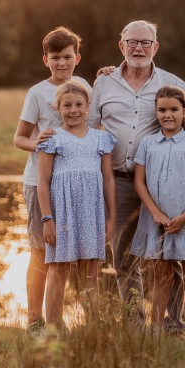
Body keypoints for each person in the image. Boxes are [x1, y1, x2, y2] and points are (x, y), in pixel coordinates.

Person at [88, 20, 185, 332]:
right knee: (123, 258)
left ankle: (173, 325)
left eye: (145, 42)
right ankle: (135, 325)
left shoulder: (172, 83)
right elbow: (90, 130)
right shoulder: (103, 84)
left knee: (167, 255)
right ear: (121, 46)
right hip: (118, 181)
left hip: (160, 183)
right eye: (132, 42)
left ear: (155, 47)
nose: (138, 48)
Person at [12, 26, 92, 333]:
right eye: (56, 57)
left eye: (68, 57)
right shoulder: (37, 93)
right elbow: (19, 138)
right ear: (46, 59)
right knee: (41, 251)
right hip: (39, 182)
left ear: (77, 57)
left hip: (73, 183)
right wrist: (39, 144)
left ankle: (57, 318)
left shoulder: (84, 85)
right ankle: (34, 320)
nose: (62, 63)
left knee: (66, 252)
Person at [130, 86, 185, 334]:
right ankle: (156, 328)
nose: (168, 115)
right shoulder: (147, 143)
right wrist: (156, 213)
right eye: (162, 110)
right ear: (156, 112)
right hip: (156, 218)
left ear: (184, 111)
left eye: (174, 109)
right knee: (161, 275)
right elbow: (139, 182)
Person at [36, 81, 116, 328]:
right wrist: (48, 219)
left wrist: (111, 217)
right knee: (58, 270)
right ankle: (52, 327)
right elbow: (42, 181)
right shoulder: (52, 138)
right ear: (57, 107)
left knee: (90, 272)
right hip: (62, 213)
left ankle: (92, 326)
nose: (74, 110)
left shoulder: (101, 139)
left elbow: (108, 178)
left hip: (91, 212)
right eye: (67, 105)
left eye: (79, 105)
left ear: (88, 106)